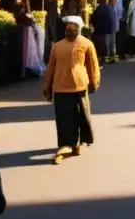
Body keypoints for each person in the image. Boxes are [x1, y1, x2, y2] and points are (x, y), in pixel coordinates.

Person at [43, 16, 100, 164]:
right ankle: (66, 145)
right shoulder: (57, 46)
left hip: (79, 86)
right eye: (68, 30)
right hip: (60, 87)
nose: (70, 32)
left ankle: (79, 143)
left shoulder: (86, 44)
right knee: (64, 119)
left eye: (73, 30)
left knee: (81, 115)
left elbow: (93, 65)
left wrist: (94, 82)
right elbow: (50, 68)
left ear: (79, 30)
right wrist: (47, 87)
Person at [91, 0, 118, 64]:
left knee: (106, 43)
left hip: (101, 30)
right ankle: (110, 56)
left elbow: (93, 19)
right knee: (110, 43)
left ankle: (106, 56)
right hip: (109, 28)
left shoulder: (98, 8)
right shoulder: (109, 8)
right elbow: (112, 18)